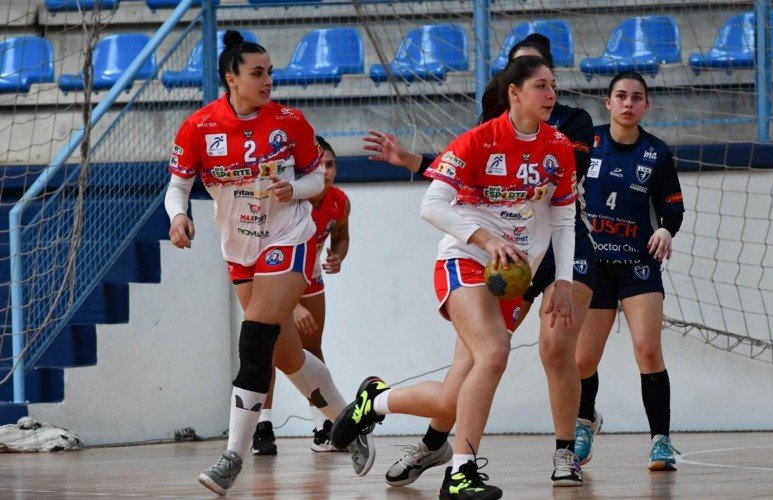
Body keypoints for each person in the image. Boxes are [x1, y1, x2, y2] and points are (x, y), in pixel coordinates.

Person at [331, 55, 577, 499]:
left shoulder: (558, 147)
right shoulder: (479, 141)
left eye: (553, 85)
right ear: (514, 93)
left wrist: (562, 281)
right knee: (495, 353)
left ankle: (374, 402)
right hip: (466, 259)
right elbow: (432, 205)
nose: (551, 94)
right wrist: (486, 238)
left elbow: (563, 219)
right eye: (541, 86)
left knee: (452, 397)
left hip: (513, 276)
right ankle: (461, 472)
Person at [164, 31, 369, 495]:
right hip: (241, 249)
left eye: (271, 72)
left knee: (254, 339)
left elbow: (316, 178)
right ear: (231, 78)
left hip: (288, 237)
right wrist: (178, 216)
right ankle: (349, 421)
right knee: (287, 355)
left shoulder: (290, 122)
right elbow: (178, 186)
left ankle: (233, 456)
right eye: (258, 73)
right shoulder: (199, 126)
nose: (268, 80)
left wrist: (293, 189)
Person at [575, 71, 685, 471]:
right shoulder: (587, 144)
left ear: (646, 106)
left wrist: (665, 230)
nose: (628, 103)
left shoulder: (657, 152)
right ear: (608, 102)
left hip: (638, 265)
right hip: (594, 265)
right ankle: (585, 422)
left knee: (648, 349)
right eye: (620, 96)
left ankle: (660, 441)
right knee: (582, 360)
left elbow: (672, 208)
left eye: (637, 97)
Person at [252, 135, 351, 454]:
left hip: (311, 276)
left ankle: (323, 425)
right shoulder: (289, 202)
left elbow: (341, 235)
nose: (326, 171)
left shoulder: (340, 201)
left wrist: (338, 255)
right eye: (320, 165)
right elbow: (264, 256)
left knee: (312, 348)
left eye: (331, 164)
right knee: (267, 350)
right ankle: (262, 427)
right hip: (274, 277)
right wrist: (291, 306)